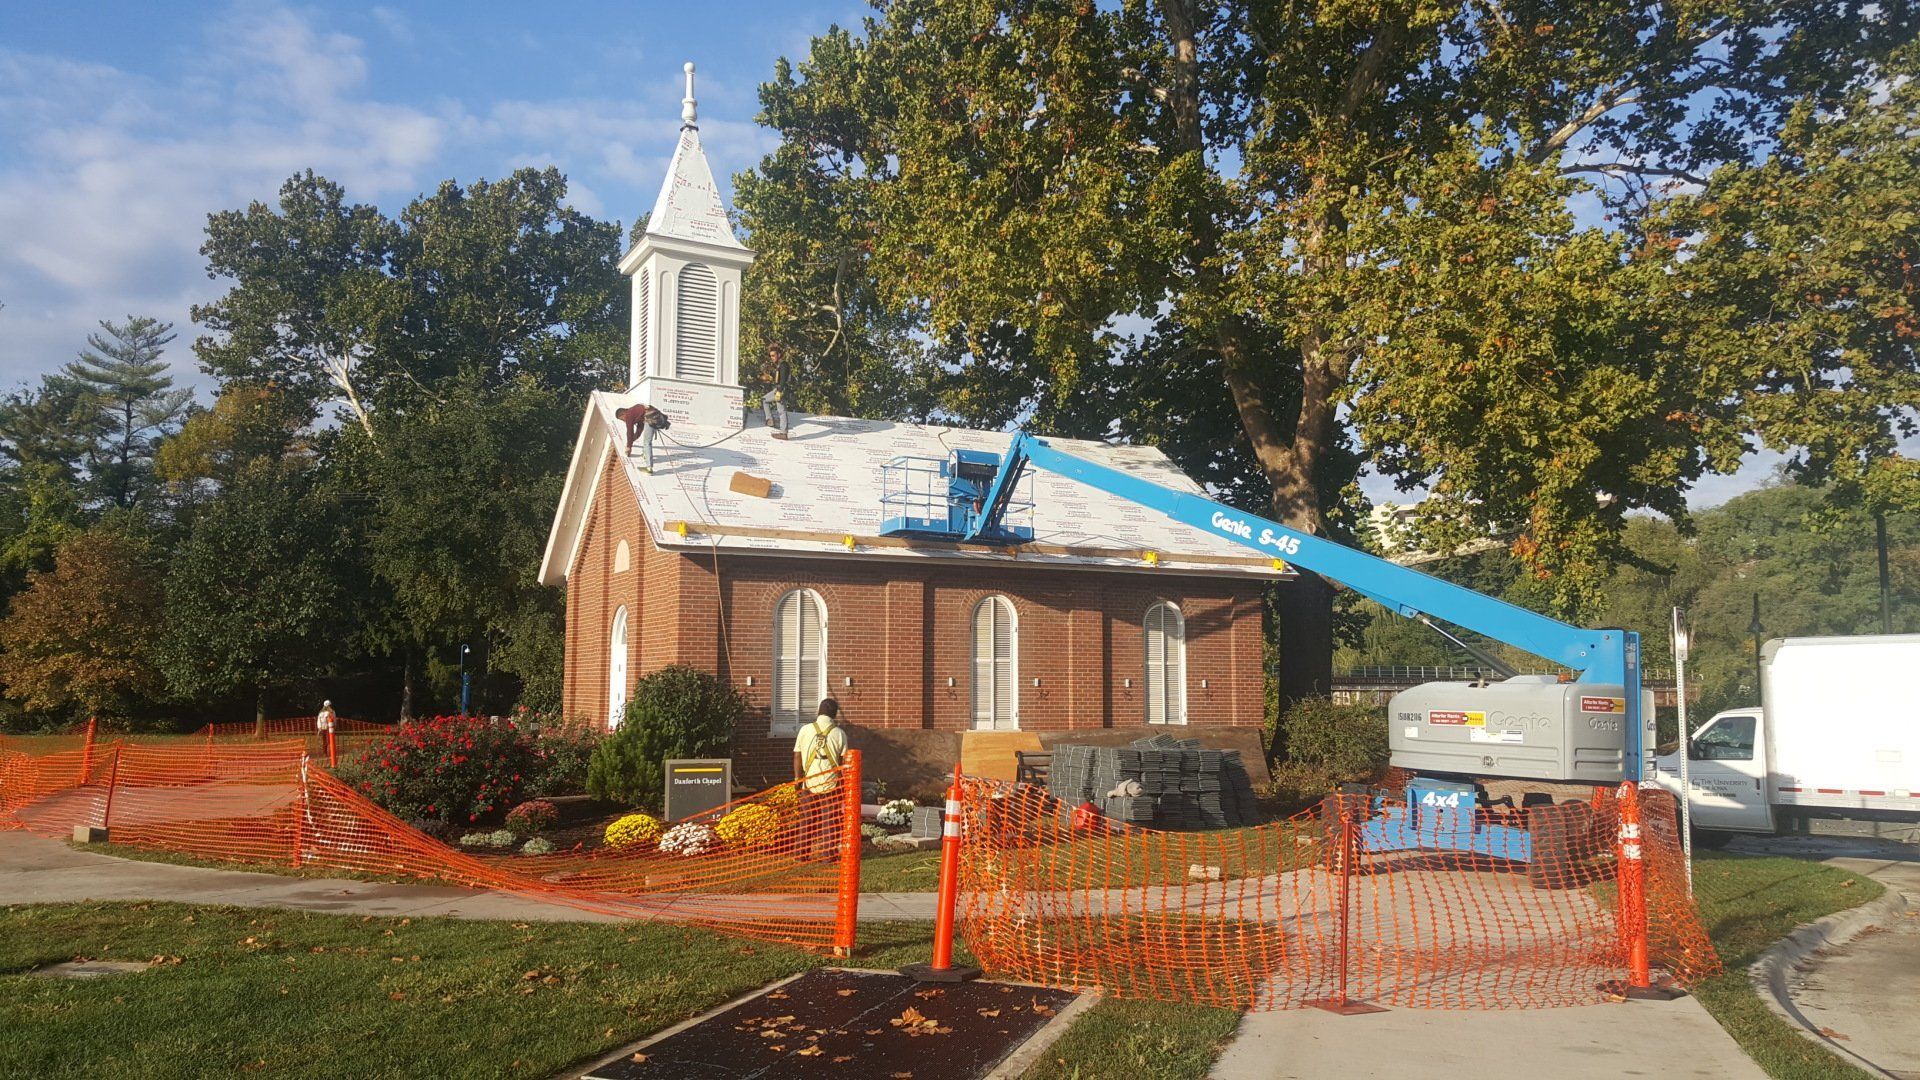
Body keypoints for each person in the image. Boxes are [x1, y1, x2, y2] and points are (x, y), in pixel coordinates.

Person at [792, 698, 847, 859]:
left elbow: (797, 755)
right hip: (831, 783)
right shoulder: (839, 734)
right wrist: (843, 785)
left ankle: (801, 854)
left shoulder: (805, 730)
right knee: (829, 819)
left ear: (819, 711)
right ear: (835, 714)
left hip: (808, 783)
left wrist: (798, 778)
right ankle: (828, 854)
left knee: (807, 819)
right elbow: (844, 762)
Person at [614, 402, 669, 473]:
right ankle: (646, 454)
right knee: (647, 441)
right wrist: (631, 441)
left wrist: (628, 447)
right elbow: (639, 431)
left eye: (622, 419)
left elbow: (629, 431)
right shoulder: (635, 412)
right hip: (655, 418)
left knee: (647, 443)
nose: (624, 421)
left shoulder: (629, 415)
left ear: (623, 414)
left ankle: (649, 468)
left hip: (650, 419)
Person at [760, 344, 790, 439]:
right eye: (771, 356)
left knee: (781, 410)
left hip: (781, 390)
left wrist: (779, 391)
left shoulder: (784, 365)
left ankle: (783, 433)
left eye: (773, 355)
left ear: (779, 354)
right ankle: (770, 420)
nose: (772, 358)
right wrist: (769, 378)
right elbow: (778, 378)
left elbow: (783, 379)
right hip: (778, 389)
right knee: (764, 399)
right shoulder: (779, 365)